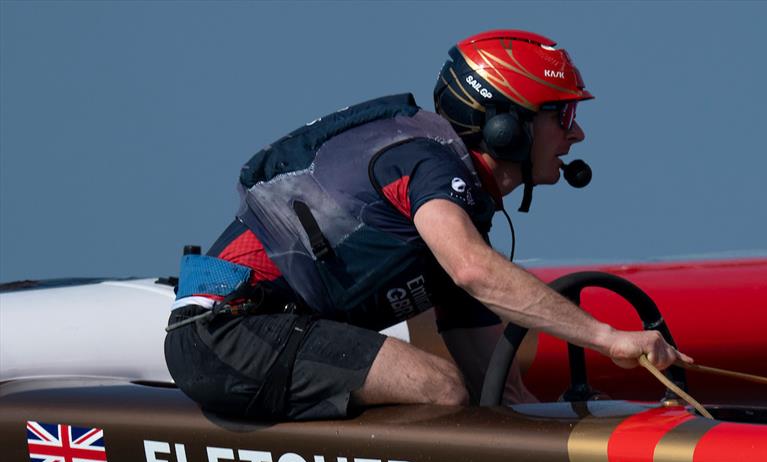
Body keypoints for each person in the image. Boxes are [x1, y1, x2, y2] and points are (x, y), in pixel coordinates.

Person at [164, 29, 692, 421]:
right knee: (439, 386)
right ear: (507, 127)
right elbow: (473, 271)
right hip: (223, 333)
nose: (575, 138)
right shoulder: (427, 166)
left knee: (464, 388)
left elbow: (497, 388)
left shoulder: (456, 208)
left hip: (261, 335)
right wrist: (608, 339)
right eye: (563, 118)